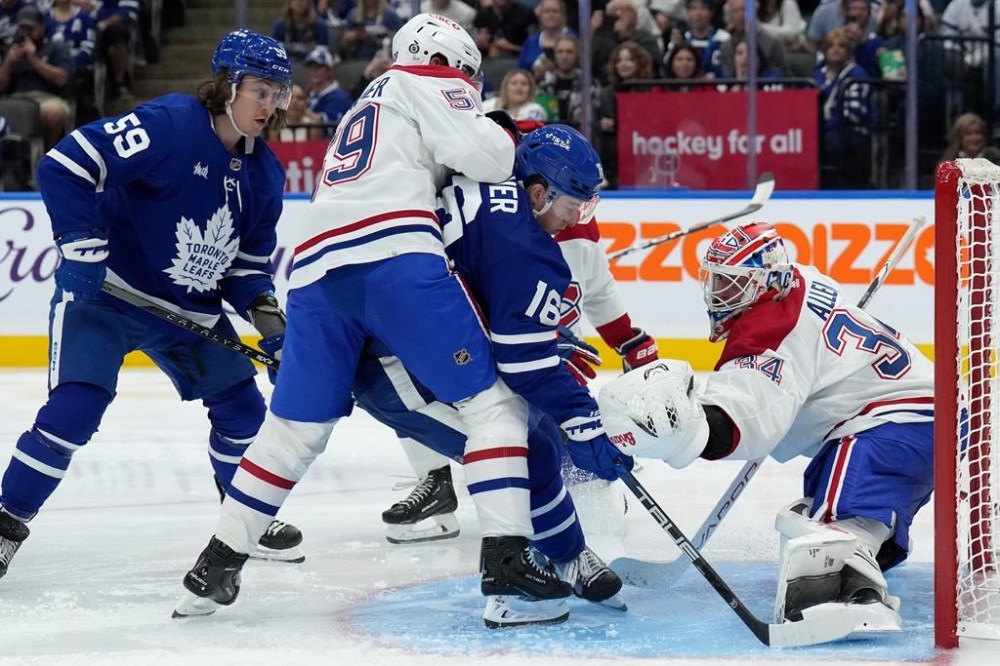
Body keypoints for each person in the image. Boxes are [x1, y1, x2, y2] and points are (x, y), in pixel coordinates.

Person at [173, 13, 611, 621]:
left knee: (292, 434)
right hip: (394, 254)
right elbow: (485, 156)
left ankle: (216, 564)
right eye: (466, 75)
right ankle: (508, 563)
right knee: (495, 406)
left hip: (314, 272)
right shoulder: (427, 79)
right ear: (445, 60)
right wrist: (506, 138)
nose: (467, 84)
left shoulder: (361, 107)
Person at [0, 29, 306, 580]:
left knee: (243, 413)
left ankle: (241, 519)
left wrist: (274, 327)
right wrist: (81, 244)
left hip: (189, 311)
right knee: (74, 412)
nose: (270, 104)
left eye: (278, 93)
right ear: (228, 84)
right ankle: (4, 522)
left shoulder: (265, 173)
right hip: (106, 296)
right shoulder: (169, 124)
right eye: (260, 89)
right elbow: (66, 165)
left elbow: (245, 270)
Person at [599, 221, 934, 634]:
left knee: (830, 529)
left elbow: (744, 425)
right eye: (716, 282)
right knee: (824, 497)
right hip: (911, 418)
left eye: (731, 285)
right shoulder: (803, 278)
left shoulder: (768, 332)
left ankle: (856, 599)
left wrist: (683, 430)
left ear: (765, 282)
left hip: (898, 425)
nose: (717, 294)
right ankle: (876, 542)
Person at [361, 125, 635, 626]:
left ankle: (566, 555)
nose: (577, 218)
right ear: (537, 192)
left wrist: (542, 341)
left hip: (413, 340)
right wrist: (583, 416)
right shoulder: (525, 244)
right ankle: (511, 590)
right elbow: (522, 361)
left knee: (539, 442)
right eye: (573, 204)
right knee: (524, 448)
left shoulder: (488, 195)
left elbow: (476, 295)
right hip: (394, 362)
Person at [0, 5, 74, 152]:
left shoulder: (56, 47)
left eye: (31, 28)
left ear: (42, 27)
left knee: (52, 113)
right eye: (23, 28)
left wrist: (34, 59)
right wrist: (8, 62)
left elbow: (62, 79)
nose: (26, 32)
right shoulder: (11, 52)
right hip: (15, 99)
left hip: (47, 98)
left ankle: (48, 157)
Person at [482, 68, 548, 121]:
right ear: (505, 87)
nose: (519, 87)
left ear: (530, 89)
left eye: (524, 84)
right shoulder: (489, 104)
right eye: (514, 83)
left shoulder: (535, 110)